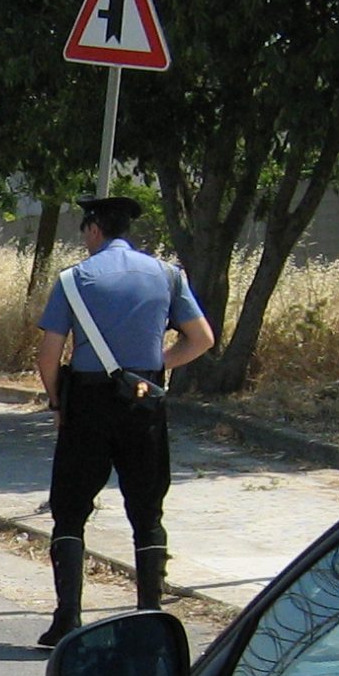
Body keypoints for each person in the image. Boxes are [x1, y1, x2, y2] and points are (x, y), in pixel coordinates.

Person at [32, 194, 217, 647]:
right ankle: (150, 617)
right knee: (147, 508)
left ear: (94, 229)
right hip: (143, 399)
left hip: (88, 404)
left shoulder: (73, 280)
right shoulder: (168, 275)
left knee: (70, 510)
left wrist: (57, 404)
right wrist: (158, 368)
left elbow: (48, 355)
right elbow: (202, 339)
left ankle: (67, 620)